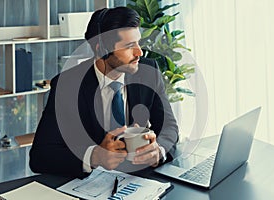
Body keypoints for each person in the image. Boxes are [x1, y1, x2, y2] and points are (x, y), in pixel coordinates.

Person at [29, 7, 178, 176]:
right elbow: (40, 156)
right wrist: (94, 156)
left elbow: (169, 126)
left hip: (139, 181)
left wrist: (158, 151)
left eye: (138, 42)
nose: (139, 52)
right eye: (129, 46)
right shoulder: (67, 85)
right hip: (89, 185)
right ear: (102, 50)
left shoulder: (148, 72)